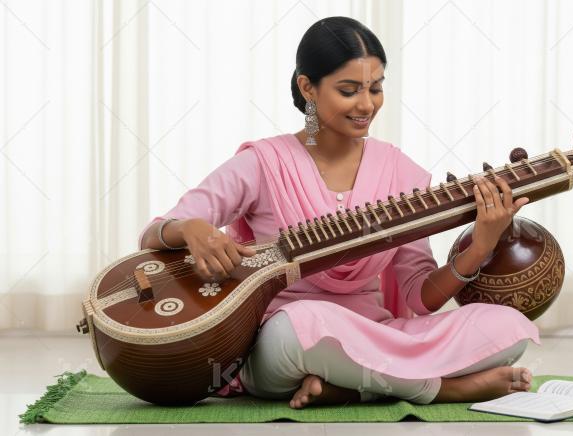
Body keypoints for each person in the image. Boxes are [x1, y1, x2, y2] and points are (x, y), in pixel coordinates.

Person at [139, 16, 539, 409]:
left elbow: (418, 297)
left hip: (378, 333)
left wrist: (480, 244)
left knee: (510, 328)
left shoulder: (399, 172)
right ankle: (444, 389)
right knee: (304, 326)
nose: (367, 104)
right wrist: (192, 228)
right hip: (283, 339)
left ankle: (349, 388)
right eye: (349, 90)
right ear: (307, 87)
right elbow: (154, 234)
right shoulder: (263, 162)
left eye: (376, 88)